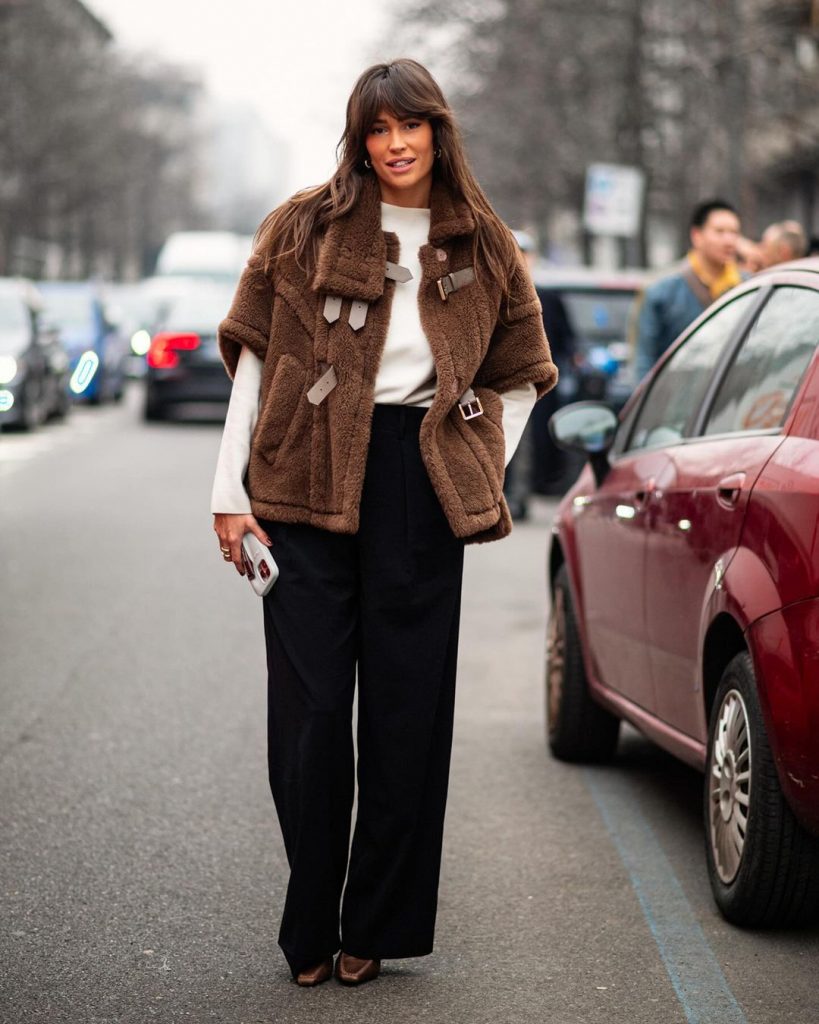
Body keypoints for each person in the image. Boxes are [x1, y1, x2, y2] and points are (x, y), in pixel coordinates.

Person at [210, 59, 557, 988]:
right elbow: (255, 358)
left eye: (410, 125)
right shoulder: (303, 226)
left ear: (439, 130)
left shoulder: (484, 243)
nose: (394, 144)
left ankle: (376, 923)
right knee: (314, 716)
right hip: (301, 479)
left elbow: (520, 370)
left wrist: (478, 460)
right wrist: (226, 492)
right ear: (357, 138)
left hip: (415, 483)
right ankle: (310, 921)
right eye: (376, 128)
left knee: (407, 721)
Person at [634, 198, 741, 380]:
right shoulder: (662, 290)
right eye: (720, 232)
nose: (729, 240)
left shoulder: (748, 286)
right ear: (696, 236)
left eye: (734, 232)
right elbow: (644, 360)